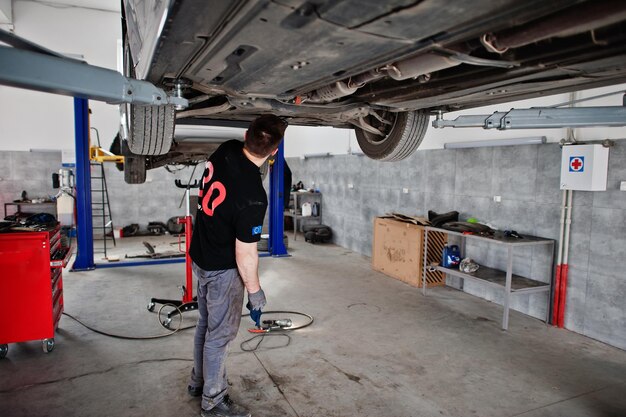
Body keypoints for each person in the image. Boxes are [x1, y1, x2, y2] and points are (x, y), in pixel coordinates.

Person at [187, 115, 287, 417]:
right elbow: (245, 254)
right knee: (219, 336)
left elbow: (239, 173)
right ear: (275, 151)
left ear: (245, 135)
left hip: (200, 257)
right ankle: (213, 401)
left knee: (205, 326)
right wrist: (255, 292)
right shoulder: (254, 198)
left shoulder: (226, 149)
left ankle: (198, 382)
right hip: (222, 270)